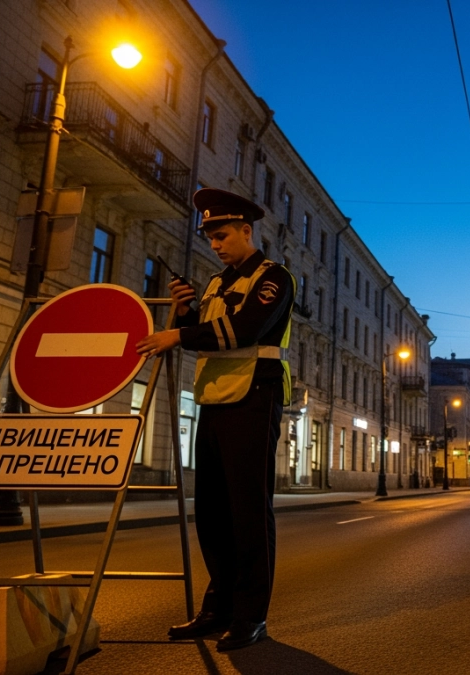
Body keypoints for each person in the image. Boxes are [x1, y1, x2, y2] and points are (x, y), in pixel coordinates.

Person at [135, 188, 295, 650]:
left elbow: (243, 330)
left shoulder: (273, 278)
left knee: (249, 513)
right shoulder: (214, 283)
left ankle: (251, 616)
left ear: (246, 230)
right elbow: (206, 333)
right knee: (212, 514)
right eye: (210, 237)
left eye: (222, 235)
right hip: (214, 399)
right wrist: (186, 311)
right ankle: (218, 607)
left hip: (255, 397)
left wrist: (177, 333)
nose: (216, 244)